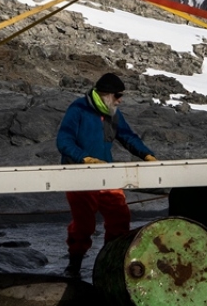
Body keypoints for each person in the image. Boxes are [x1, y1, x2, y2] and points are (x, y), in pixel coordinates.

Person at [55, 72, 158, 278]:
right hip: (79, 174)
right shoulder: (78, 109)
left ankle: (111, 261)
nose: (120, 100)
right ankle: (74, 265)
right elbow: (63, 141)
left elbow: (127, 136)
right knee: (84, 224)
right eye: (118, 95)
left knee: (120, 216)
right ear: (106, 94)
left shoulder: (112, 113)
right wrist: (84, 159)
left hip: (106, 173)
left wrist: (146, 154)